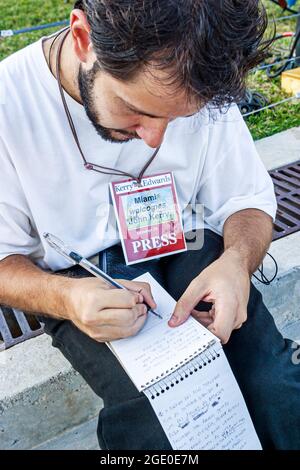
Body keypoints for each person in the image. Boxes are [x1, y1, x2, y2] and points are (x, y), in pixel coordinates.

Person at [0, 0, 299, 450]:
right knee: (159, 424)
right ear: (83, 38)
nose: (155, 137)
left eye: (178, 117)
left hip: (186, 239)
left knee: (277, 387)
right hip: (78, 274)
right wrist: (66, 297)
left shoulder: (201, 71)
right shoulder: (9, 105)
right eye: (135, 109)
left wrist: (237, 262)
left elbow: (247, 200)